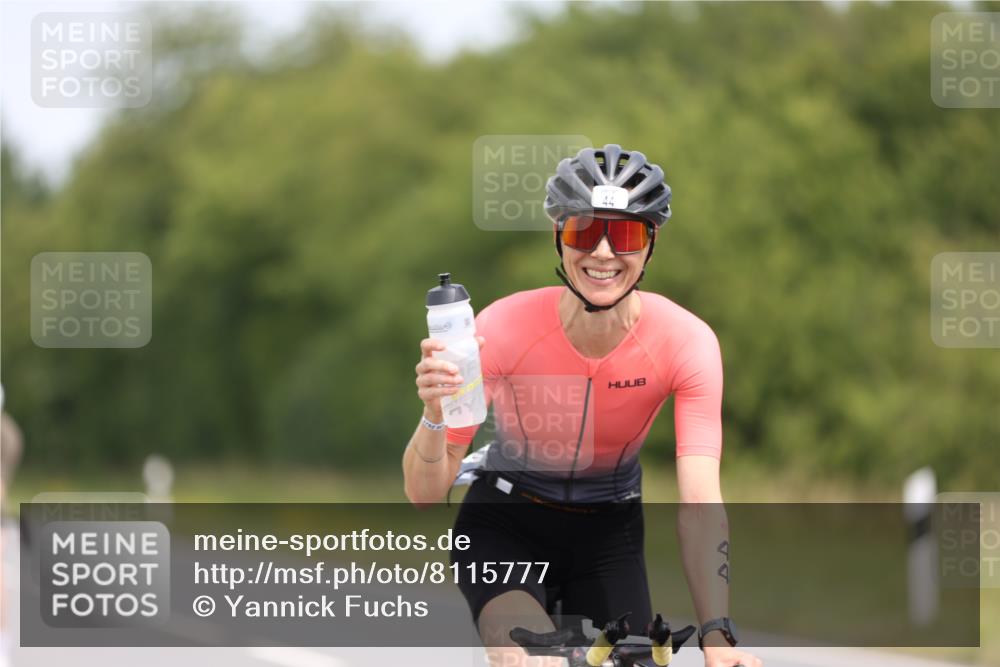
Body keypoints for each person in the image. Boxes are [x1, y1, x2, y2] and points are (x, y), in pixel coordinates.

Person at [403, 145, 761, 667]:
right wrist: (435, 411)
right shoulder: (499, 330)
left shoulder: (686, 342)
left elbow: (701, 503)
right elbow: (422, 494)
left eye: (626, 234)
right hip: (505, 526)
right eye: (583, 231)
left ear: (651, 244)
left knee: (633, 661)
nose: (602, 252)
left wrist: (717, 636)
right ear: (558, 236)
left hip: (608, 533)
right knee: (529, 655)